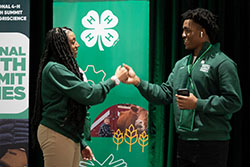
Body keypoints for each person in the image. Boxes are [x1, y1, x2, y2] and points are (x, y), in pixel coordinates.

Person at [122, 8, 242, 167]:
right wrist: (138, 82)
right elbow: (163, 94)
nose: (183, 35)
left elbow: (233, 101)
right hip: (184, 142)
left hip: (212, 144)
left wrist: (198, 104)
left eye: (187, 30)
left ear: (202, 32)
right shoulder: (181, 64)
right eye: (182, 30)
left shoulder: (222, 63)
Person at [31, 27, 128, 167]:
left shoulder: (64, 69)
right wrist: (115, 80)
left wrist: (81, 143)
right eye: (73, 42)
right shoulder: (54, 69)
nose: (77, 45)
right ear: (61, 46)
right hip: (56, 133)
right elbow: (88, 94)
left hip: (68, 135)